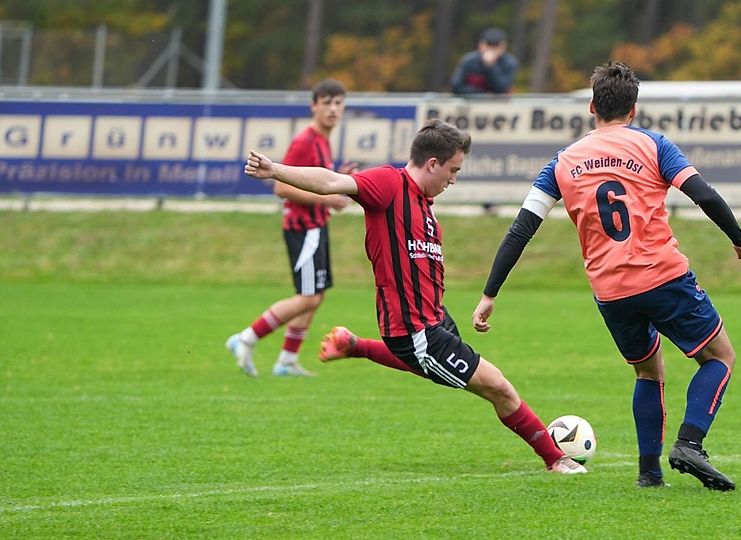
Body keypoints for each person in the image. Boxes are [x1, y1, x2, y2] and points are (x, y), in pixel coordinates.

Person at [471, 62, 741, 491]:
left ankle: (649, 474)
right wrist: (740, 241)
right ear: (634, 109)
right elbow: (703, 194)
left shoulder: (562, 161)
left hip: (610, 291)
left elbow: (521, 227)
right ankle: (690, 443)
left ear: (592, 106)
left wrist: (489, 292)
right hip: (662, 276)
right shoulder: (653, 144)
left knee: (648, 373)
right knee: (719, 357)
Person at [244, 119, 586, 474]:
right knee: (498, 387)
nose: (453, 179)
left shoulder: (424, 205)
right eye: (452, 170)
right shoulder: (389, 183)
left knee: (446, 373)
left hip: (434, 319)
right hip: (416, 329)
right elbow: (331, 182)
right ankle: (556, 458)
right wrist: (274, 170)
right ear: (433, 164)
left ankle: (355, 345)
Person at [225, 79, 355, 377]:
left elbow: (312, 180)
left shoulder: (322, 140)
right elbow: (281, 188)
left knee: (316, 295)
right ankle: (245, 338)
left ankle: (286, 360)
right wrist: (330, 199)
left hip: (316, 225)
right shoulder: (305, 141)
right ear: (314, 106)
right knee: (307, 296)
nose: (333, 109)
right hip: (303, 227)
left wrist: (337, 181)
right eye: (327, 102)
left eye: (339, 103)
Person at [450, 27, 519, 95]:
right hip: (471, 103)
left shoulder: (510, 62)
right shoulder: (469, 60)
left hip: (499, 104)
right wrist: (482, 94)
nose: (492, 49)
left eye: (496, 45)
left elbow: (501, 89)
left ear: (504, 46)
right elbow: (456, 86)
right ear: (481, 45)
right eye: (489, 44)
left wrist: (491, 66)